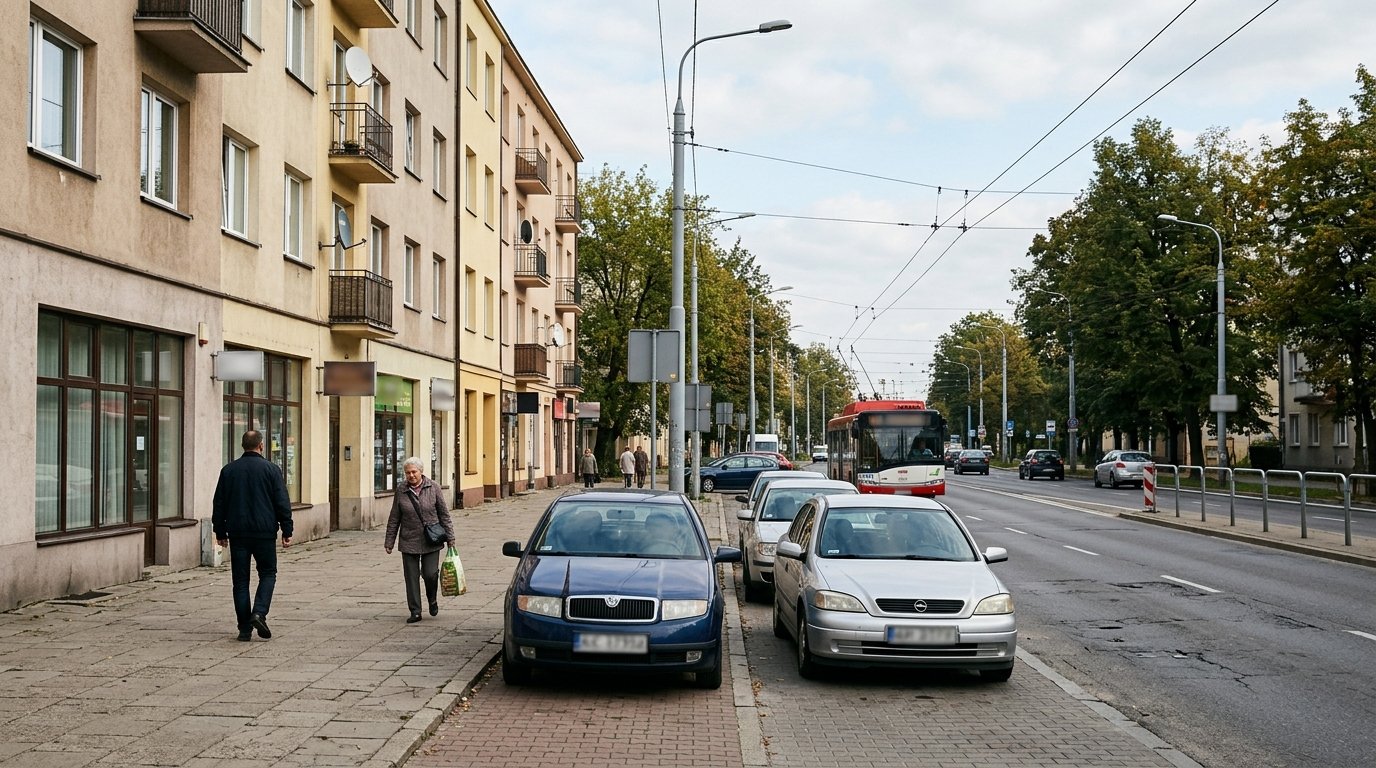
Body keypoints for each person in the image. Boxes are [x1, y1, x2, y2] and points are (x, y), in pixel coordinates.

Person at [213, 430, 293, 642]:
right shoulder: (271, 470)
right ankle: (259, 612)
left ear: (243, 446)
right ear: (261, 446)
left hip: (238, 533)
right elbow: (282, 502)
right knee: (268, 573)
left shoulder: (228, 471)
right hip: (264, 533)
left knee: (240, 581)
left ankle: (244, 629)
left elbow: (219, 503)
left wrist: (220, 531)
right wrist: (287, 530)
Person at [384, 457, 456, 624]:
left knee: (430, 574)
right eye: (408, 472)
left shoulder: (434, 487)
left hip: (431, 539)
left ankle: (432, 599)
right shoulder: (401, 490)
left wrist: (451, 537)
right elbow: (394, 517)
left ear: (421, 472)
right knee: (411, 577)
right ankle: (415, 611)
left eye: (414, 472)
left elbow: (444, 514)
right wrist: (389, 541)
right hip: (408, 539)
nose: (411, 475)